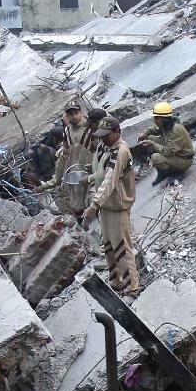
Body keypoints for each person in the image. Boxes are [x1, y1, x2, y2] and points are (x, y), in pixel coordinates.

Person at [83, 117, 139, 296]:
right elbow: (100, 172)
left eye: (107, 135)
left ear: (117, 132)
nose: (103, 139)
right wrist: (91, 180)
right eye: (101, 136)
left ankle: (132, 287)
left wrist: (94, 204)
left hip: (118, 205)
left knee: (122, 247)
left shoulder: (121, 151)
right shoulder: (103, 147)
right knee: (108, 246)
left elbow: (110, 180)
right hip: (106, 205)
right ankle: (116, 281)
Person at [52, 99, 96, 217]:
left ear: (81, 112)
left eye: (76, 113)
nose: (74, 116)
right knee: (75, 200)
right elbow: (67, 149)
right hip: (76, 168)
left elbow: (98, 147)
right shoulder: (67, 131)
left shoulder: (90, 127)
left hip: (91, 165)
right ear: (67, 116)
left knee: (94, 197)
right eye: (71, 114)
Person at [132, 101, 194, 184]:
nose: (155, 121)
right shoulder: (167, 125)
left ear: (164, 119)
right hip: (176, 154)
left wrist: (153, 144)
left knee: (155, 157)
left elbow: (168, 152)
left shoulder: (176, 129)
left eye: (157, 118)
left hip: (184, 160)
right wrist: (145, 134)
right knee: (151, 137)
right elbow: (154, 129)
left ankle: (178, 172)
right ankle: (162, 173)